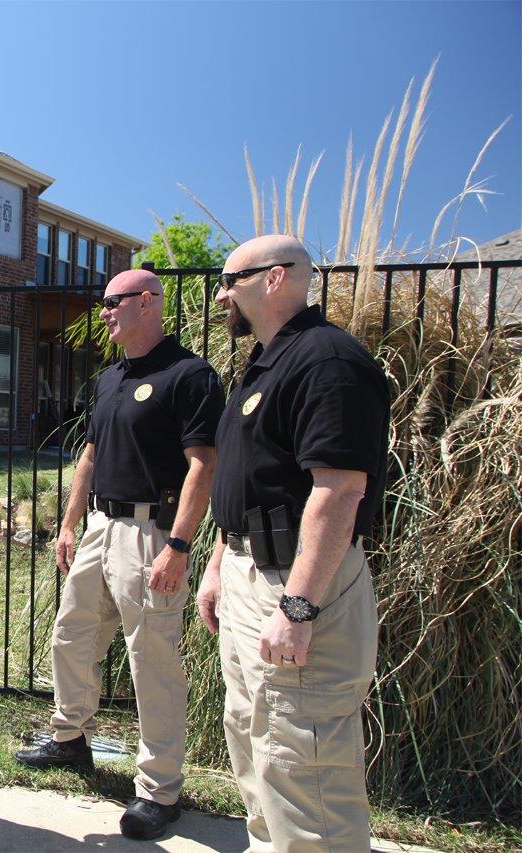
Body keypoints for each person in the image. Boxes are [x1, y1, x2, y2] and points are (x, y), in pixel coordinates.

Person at [15, 269, 224, 841]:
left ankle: (160, 789)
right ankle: (70, 740)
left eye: (114, 302)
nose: (103, 311)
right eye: (103, 302)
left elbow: (204, 466)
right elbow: (89, 453)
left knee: (152, 657)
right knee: (71, 635)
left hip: (150, 533)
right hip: (99, 529)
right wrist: (70, 524)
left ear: (150, 303)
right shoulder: (110, 378)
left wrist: (178, 546)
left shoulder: (190, 375)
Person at [197, 235, 388, 852]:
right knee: (255, 740)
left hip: (299, 588)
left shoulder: (327, 361)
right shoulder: (268, 362)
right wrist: (219, 565)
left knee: (303, 762)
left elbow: (338, 492)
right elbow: (249, 482)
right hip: (252, 577)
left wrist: (298, 607)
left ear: (275, 278)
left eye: (230, 279)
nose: (221, 293)